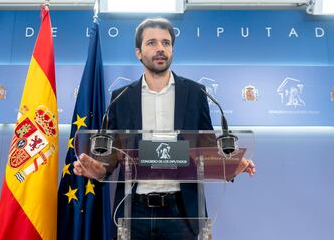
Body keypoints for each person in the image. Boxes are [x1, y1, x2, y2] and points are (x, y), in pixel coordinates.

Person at [73, 18, 255, 240]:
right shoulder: (120, 98)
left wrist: (228, 167)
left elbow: (206, 150)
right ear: (138, 52)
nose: (160, 48)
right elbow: (113, 158)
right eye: (152, 43)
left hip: (182, 212)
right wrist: (97, 170)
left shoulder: (196, 94)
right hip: (134, 212)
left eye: (166, 43)